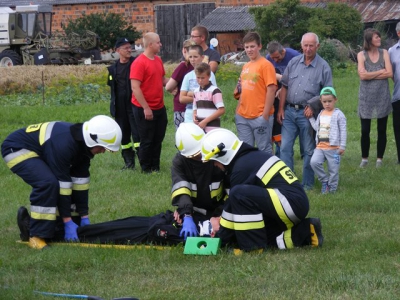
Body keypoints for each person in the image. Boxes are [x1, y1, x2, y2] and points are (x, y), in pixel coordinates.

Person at [2, 115, 122, 250]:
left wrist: (83, 216)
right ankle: (36, 235)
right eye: (102, 147)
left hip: (43, 150)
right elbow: (63, 185)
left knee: (67, 223)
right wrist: (67, 220)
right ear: (92, 140)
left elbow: (80, 184)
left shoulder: (83, 149)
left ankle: (30, 226)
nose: (103, 151)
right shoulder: (64, 144)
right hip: (17, 148)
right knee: (48, 183)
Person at [200, 128, 323, 252]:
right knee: (260, 233)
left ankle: (252, 247)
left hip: (288, 203)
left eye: (213, 161)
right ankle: (306, 231)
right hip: (293, 204)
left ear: (222, 155)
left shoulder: (240, 168)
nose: (214, 165)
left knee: (237, 194)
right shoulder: (248, 158)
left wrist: (220, 239)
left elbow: (234, 206)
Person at [277, 32, 333, 190]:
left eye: (311, 45)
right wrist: (280, 109)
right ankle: (289, 182)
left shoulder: (323, 67)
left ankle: (307, 184)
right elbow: (285, 86)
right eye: (305, 45)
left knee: (308, 150)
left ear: (317, 46)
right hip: (288, 112)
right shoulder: (294, 62)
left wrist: (313, 105)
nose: (308, 49)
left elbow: (327, 92)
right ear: (301, 46)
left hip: (308, 115)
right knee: (285, 147)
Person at [171, 123, 227, 240]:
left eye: (199, 151)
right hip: (195, 212)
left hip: (221, 209)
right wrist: (186, 214)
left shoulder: (217, 154)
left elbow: (231, 188)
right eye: (194, 155)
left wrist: (221, 214)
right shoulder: (180, 162)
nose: (200, 156)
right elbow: (181, 190)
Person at [130, 32, 169, 173]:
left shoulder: (158, 60)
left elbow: (162, 80)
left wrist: (176, 86)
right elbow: (135, 87)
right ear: (151, 44)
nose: (161, 44)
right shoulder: (139, 63)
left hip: (159, 106)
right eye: (158, 42)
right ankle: (145, 168)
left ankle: (155, 167)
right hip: (144, 108)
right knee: (147, 139)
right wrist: (146, 108)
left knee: (158, 138)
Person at [235, 32, 277, 154]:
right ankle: (251, 173)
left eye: (252, 46)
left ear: (259, 46)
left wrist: (265, 115)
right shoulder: (246, 66)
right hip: (243, 116)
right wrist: (238, 111)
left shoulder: (266, 65)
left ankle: (267, 173)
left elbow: (272, 89)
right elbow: (243, 89)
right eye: (247, 47)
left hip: (260, 115)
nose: (249, 50)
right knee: (245, 150)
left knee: (264, 150)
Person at [357, 28, 393, 168]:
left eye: (379, 37)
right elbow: (362, 76)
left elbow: (389, 73)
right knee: (365, 129)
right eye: (376, 37)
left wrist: (370, 74)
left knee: (382, 129)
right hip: (366, 96)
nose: (379, 39)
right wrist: (380, 71)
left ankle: (379, 159)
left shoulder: (385, 53)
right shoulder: (361, 55)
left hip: (382, 94)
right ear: (369, 40)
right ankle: (364, 158)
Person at [107, 37, 140, 170]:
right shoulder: (112, 69)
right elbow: (112, 87)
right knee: (123, 135)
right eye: (126, 48)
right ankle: (129, 163)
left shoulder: (136, 64)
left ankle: (144, 161)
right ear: (118, 50)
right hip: (120, 107)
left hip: (134, 104)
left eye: (129, 47)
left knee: (138, 134)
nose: (129, 50)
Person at [266, 41, 301, 156]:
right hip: (276, 95)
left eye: (277, 57)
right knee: (278, 123)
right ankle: (279, 152)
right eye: (273, 58)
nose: (275, 60)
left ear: (283, 51)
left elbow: (301, 76)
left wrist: (285, 86)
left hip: (295, 92)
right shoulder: (268, 59)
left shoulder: (294, 56)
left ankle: (303, 152)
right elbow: (268, 75)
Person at [309, 87, 347, 194]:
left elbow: (343, 131)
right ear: (321, 102)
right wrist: (311, 118)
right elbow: (317, 128)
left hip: (334, 149)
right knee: (314, 162)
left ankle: (332, 190)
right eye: (324, 101)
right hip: (320, 147)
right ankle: (325, 181)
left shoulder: (339, 114)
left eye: (330, 101)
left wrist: (342, 146)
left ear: (335, 100)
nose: (327, 104)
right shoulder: (321, 113)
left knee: (333, 170)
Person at [179, 45, 217, 124]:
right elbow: (182, 98)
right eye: (190, 57)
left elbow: (211, 95)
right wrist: (200, 97)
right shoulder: (188, 76)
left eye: (195, 57)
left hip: (206, 111)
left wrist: (190, 93)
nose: (192, 60)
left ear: (202, 57)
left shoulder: (210, 74)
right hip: (190, 112)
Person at [165, 39, 196, 129]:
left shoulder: (183, 66)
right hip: (197, 106)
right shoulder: (201, 66)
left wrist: (172, 89)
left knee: (182, 136)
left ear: (184, 50)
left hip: (182, 107)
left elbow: (168, 86)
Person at [193, 62, 225, 132]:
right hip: (200, 129)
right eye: (198, 78)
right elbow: (195, 108)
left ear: (209, 76)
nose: (200, 80)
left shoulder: (215, 91)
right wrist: (194, 117)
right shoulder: (196, 91)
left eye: (203, 78)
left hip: (212, 130)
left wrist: (205, 121)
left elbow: (221, 110)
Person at [389, 22, 400, 164]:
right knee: (398, 128)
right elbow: (391, 72)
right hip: (398, 95)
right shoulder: (392, 51)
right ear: (398, 33)